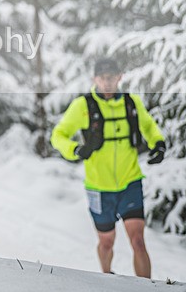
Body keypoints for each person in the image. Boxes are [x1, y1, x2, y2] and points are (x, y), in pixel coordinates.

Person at [50, 57, 166, 278]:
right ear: (95, 79)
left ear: (119, 77)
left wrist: (158, 144)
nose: (107, 82)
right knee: (106, 242)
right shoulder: (83, 106)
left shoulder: (131, 103)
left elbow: (149, 126)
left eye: (111, 77)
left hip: (130, 181)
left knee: (138, 241)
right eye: (102, 78)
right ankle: (107, 277)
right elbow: (58, 135)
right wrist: (75, 150)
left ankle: (148, 290)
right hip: (99, 187)